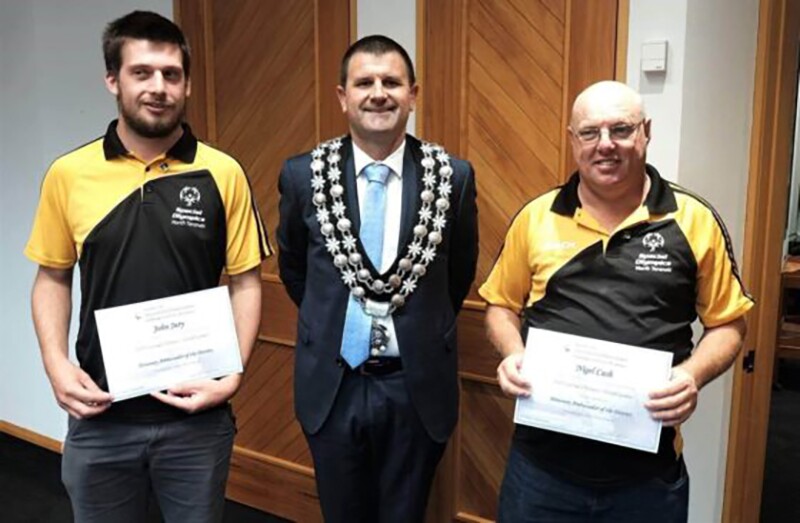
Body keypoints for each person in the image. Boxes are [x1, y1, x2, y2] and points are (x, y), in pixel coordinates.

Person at [25, 11, 270, 522]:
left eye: (171, 74)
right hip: (100, 413)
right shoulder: (69, 174)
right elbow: (52, 276)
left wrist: (233, 374)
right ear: (113, 80)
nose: (158, 87)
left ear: (186, 83)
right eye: (142, 72)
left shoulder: (222, 172)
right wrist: (55, 363)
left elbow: (245, 281)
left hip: (195, 419)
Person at [479, 80, 754, 522]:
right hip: (541, 473)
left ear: (646, 132)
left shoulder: (693, 220)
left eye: (621, 129)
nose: (605, 145)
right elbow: (499, 306)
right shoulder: (536, 217)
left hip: (647, 479)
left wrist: (691, 375)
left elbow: (729, 323)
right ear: (573, 140)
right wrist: (513, 354)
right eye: (590, 133)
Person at [277, 35, 479, 522]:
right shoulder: (304, 175)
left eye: (391, 82)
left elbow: (458, 276)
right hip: (333, 383)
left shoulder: (451, 176)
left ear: (413, 93)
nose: (378, 93)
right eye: (364, 82)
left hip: (414, 385)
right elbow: (294, 270)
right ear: (343, 96)